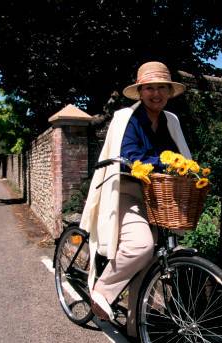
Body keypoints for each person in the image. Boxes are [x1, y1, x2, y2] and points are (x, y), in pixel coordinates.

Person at [80, 61, 191, 322]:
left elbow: (183, 156)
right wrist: (167, 162)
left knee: (151, 260)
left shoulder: (170, 120)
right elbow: (129, 156)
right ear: (140, 91)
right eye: (150, 88)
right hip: (125, 191)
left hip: (158, 195)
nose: (157, 94)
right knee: (140, 246)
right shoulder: (126, 118)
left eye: (162, 87)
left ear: (169, 91)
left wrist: (189, 170)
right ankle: (102, 292)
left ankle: (135, 327)